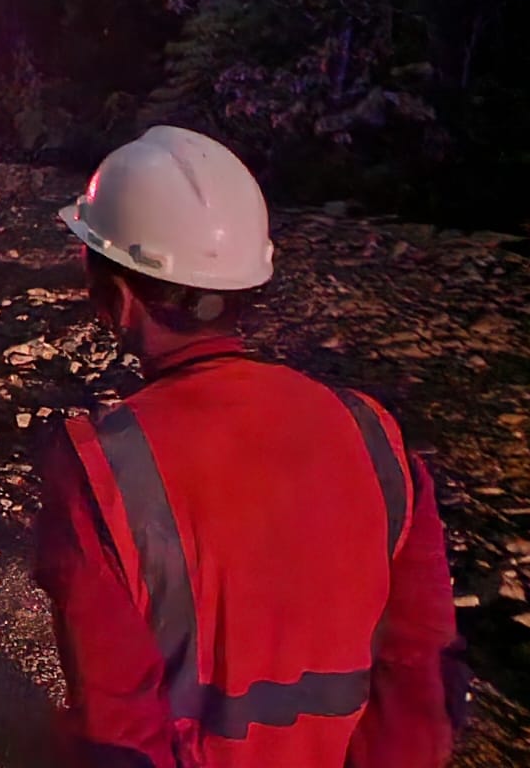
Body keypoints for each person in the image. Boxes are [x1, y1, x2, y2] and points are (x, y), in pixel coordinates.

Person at [37, 125, 466, 768]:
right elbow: (422, 679)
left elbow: (116, 732)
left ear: (121, 301)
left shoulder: (98, 473)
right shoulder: (377, 439)